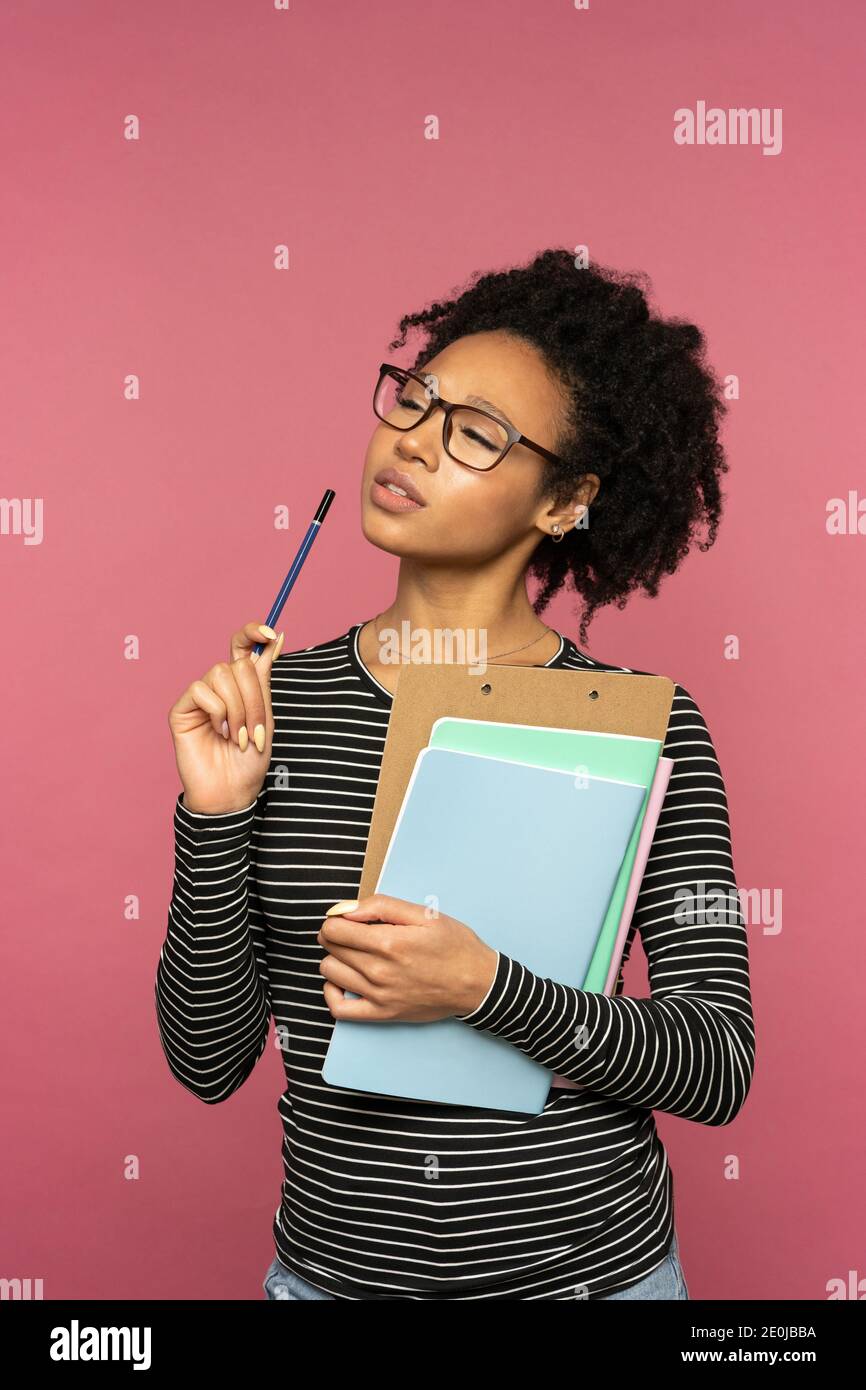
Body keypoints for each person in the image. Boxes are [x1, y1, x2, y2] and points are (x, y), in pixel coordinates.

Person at [158, 248, 755, 1300]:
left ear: (564, 498)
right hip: (329, 1283)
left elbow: (712, 1062)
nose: (413, 439)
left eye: (474, 433)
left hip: (592, 1283)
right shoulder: (272, 709)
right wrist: (213, 811)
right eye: (415, 397)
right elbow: (206, 1065)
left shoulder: (639, 727)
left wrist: (482, 990)